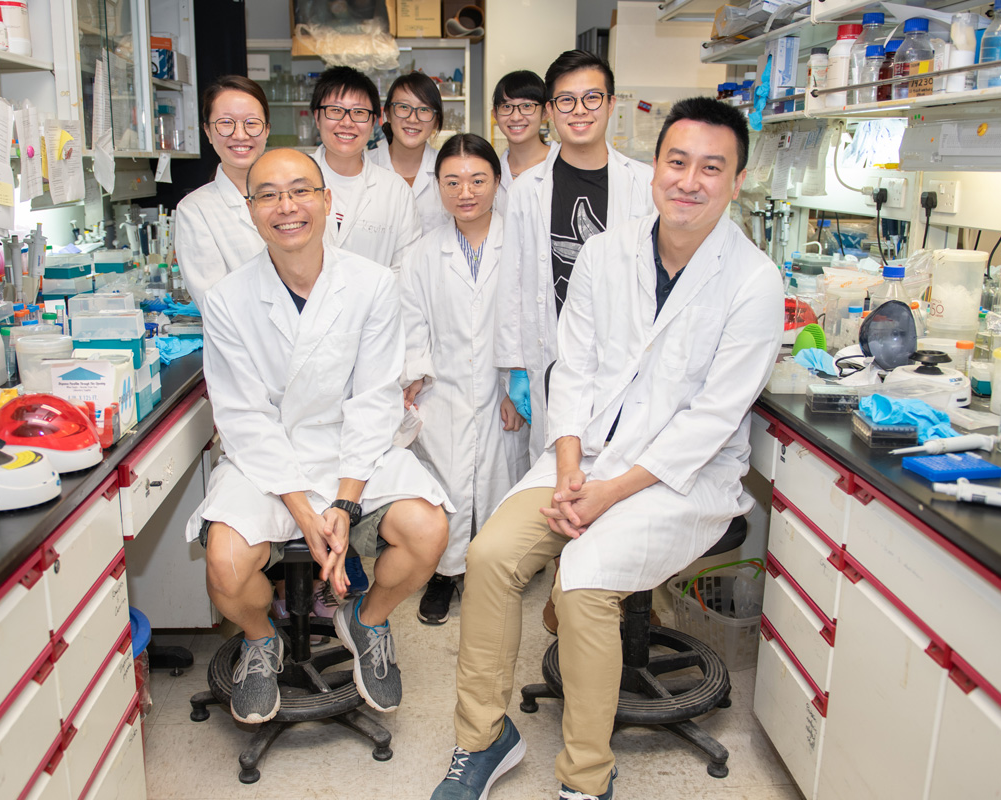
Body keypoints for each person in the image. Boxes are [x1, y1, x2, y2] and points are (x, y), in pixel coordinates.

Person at [429, 98, 783, 800]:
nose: (689, 180)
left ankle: (586, 778)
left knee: (584, 581)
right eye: (677, 162)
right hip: (584, 458)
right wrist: (568, 472)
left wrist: (604, 495)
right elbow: (575, 370)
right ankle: (483, 738)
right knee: (491, 555)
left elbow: (711, 420)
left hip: (680, 479)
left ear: (737, 181)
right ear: (654, 167)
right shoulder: (605, 253)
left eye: (711, 168)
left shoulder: (754, 282)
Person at [187, 148, 451, 724]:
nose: (287, 207)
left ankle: (368, 619)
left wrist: (345, 502)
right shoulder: (229, 301)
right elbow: (244, 416)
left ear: (327, 201)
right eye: (269, 195)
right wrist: (308, 515)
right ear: (250, 209)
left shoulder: (373, 285)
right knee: (226, 569)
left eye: (301, 190)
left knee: (428, 529)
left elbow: (373, 399)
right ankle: (261, 639)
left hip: (352, 451)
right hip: (270, 455)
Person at [496, 50, 654, 467]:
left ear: (611, 104)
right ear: (549, 110)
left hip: (626, 355)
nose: (579, 110)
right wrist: (515, 369)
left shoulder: (645, 184)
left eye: (592, 98)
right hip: (551, 357)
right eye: (566, 100)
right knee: (556, 480)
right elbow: (512, 281)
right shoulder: (527, 189)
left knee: (618, 475)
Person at [400, 134, 530, 626]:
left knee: (502, 482)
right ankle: (444, 574)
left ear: (498, 182)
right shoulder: (422, 253)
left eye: (478, 179)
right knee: (446, 483)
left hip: (503, 390)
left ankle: (495, 575)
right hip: (444, 389)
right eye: (451, 181)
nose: (465, 191)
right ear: (437, 187)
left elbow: (530, 323)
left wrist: (517, 388)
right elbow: (411, 323)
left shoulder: (520, 246)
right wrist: (414, 375)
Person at [309, 66, 421, 274]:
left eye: (359, 113)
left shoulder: (395, 191)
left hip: (377, 307)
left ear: (374, 122)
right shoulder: (292, 180)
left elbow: (405, 270)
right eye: (335, 110)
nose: (347, 122)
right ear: (317, 117)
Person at [173, 76, 271, 311]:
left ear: (267, 129)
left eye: (252, 123)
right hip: (240, 344)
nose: (240, 134)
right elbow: (214, 303)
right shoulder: (195, 210)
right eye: (226, 123)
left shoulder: (298, 196)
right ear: (207, 131)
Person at [368, 72, 448, 235]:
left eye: (424, 109)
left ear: (436, 121)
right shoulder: (364, 166)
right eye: (404, 107)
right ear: (387, 114)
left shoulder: (449, 169)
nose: (413, 119)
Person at [490, 70, 551, 211]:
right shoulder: (492, 173)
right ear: (495, 113)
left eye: (527, 106)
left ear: (545, 112)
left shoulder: (561, 165)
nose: (516, 117)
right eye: (506, 107)